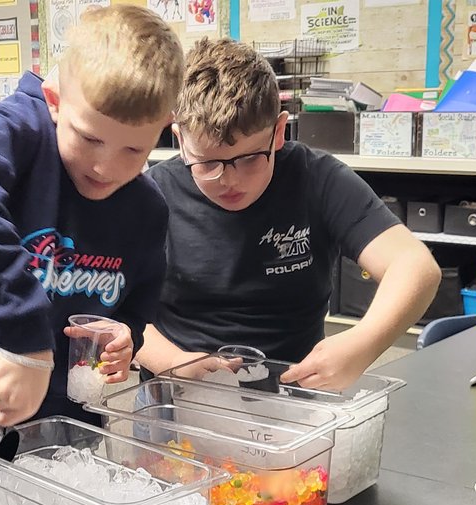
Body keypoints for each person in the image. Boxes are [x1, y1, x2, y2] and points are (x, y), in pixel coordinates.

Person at [0, 5, 183, 486]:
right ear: (54, 101)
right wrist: (26, 342)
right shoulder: (21, 134)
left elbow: (133, 306)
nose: (105, 166)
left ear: (165, 128)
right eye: (89, 137)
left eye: (134, 150)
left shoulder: (147, 210)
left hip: (60, 440)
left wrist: (122, 338)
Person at [139, 39, 442, 391]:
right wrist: (172, 364)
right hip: (176, 394)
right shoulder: (154, 194)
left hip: (292, 397)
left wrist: (361, 344)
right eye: (207, 163)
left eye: (250, 158)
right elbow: (119, 306)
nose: (229, 180)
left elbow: (416, 267)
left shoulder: (317, 179)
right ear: (179, 139)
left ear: (279, 131)